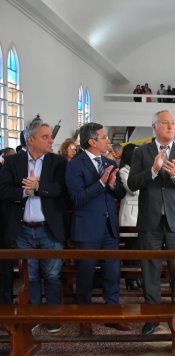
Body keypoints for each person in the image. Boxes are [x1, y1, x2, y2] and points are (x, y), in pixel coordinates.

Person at [128, 110, 175, 335]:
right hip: (150, 219)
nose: (170, 126)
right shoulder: (142, 152)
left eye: (173, 123)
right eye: (165, 123)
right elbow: (133, 183)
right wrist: (154, 170)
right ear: (154, 126)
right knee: (150, 270)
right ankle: (152, 317)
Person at [0, 119, 68, 332]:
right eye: (45, 137)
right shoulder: (12, 163)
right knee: (30, 275)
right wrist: (23, 192)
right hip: (23, 228)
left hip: (49, 227)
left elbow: (62, 190)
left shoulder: (58, 163)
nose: (51, 140)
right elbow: (2, 190)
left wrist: (39, 187)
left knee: (52, 274)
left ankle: (53, 316)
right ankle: (34, 315)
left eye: (50, 136)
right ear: (31, 140)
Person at [65, 122, 127, 335]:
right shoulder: (75, 165)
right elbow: (76, 199)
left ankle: (112, 315)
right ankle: (85, 318)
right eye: (103, 137)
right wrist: (100, 183)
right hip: (87, 228)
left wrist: (112, 186)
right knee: (85, 275)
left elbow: (120, 193)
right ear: (92, 141)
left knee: (112, 273)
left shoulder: (109, 162)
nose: (107, 140)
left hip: (109, 228)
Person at [118, 143, 141, 291]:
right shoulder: (123, 171)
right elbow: (134, 190)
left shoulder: (140, 171)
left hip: (142, 214)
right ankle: (130, 278)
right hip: (130, 214)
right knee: (131, 248)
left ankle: (137, 277)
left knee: (140, 249)